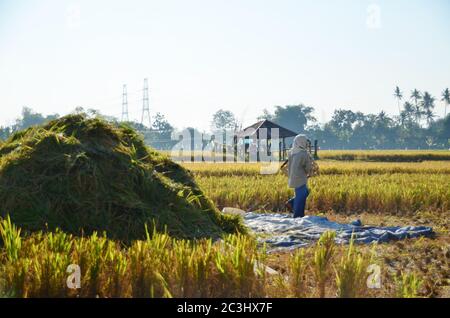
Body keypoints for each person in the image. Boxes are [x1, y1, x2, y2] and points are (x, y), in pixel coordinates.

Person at [284, 134, 313, 218]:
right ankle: (298, 216)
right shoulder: (304, 154)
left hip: (292, 177)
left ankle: (291, 203)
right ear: (302, 142)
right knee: (301, 197)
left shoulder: (291, 152)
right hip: (300, 177)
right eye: (306, 142)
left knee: (304, 192)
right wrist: (310, 172)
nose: (307, 144)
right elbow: (308, 167)